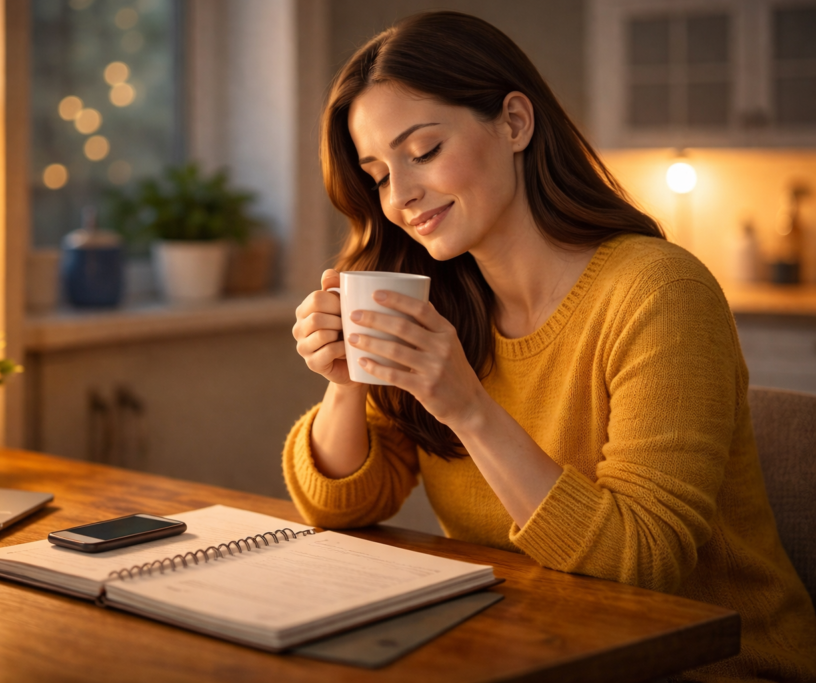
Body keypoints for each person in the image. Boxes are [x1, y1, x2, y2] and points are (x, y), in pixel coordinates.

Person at [284, 11, 816, 682]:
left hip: (711, 664)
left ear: (514, 122)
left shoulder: (658, 291)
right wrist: (346, 378)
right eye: (379, 174)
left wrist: (470, 408)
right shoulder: (443, 300)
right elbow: (343, 505)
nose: (401, 196)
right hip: (528, 646)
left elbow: (643, 561)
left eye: (422, 151)